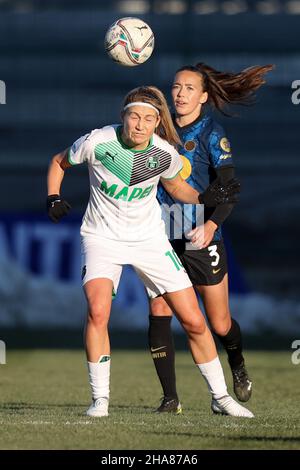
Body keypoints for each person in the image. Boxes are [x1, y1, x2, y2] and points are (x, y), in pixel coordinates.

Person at [47, 85, 254, 419]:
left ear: (157, 122)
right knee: (99, 312)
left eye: (148, 118)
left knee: (194, 321)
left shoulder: (163, 153)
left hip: (149, 240)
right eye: (134, 116)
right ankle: (100, 400)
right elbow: (58, 161)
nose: (140, 124)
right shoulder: (98, 141)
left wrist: (205, 199)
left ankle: (221, 398)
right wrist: (53, 197)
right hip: (102, 238)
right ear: (123, 117)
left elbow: (176, 188)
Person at [148, 63, 273, 413]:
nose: (180, 94)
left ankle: (237, 362)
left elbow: (228, 187)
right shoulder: (158, 129)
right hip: (161, 235)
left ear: (203, 96)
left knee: (218, 322)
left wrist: (211, 225)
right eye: (176, 87)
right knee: (159, 308)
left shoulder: (210, 133)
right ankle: (170, 398)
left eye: (189, 88)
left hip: (200, 235)